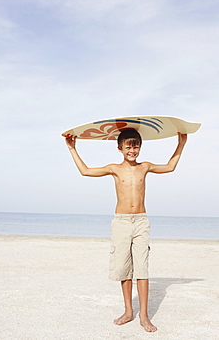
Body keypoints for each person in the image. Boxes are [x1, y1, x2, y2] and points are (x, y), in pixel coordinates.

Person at [65, 128, 187, 333]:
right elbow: (85, 171)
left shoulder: (145, 167)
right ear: (120, 148)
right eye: (129, 146)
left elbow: (170, 167)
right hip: (121, 222)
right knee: (124, 268)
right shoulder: (114, 168)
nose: (133, 150)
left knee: (142, 269)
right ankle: (129, 311)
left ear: (140, 148)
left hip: (140, 221)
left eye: (136, 146)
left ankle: (144, 316)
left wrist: (181, 143)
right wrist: (72, 149)